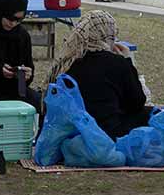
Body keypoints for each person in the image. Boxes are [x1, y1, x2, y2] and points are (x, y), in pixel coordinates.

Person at [45, 11, 151, 139]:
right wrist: (128, 61)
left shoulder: (68, 61)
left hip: (73, 132)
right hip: (109, 133)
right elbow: (136, 102)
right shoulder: (117, 62)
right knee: (150, 114)